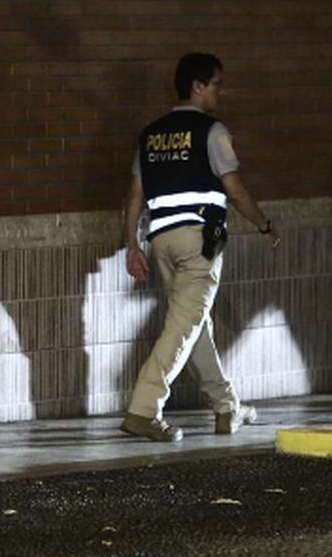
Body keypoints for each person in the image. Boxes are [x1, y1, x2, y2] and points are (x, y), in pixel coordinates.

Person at [120, 53, 280, 442]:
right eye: (216, 83)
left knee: (193, 325)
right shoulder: (211, 130)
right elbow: (235, 188)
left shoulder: (151, 135)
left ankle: (227, 407)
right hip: (199, 242)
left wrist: (132, 245)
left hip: (161, 240)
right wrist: (264, 224)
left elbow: (134, 197)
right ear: (197, 85)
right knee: (183, 326)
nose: (220, 91)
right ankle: (144, 408)